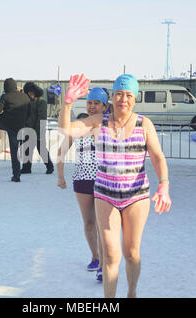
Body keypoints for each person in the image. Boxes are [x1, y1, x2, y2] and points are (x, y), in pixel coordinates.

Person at [58, 74, 172, 298]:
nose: (124, 99)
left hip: (136, 196)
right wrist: (68, 102)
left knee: (131, 253)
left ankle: (131, 293)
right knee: (110, 256)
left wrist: (164, 185)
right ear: (113, 97)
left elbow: (158, 157)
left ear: (135, 98)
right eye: (120, 94)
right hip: (105, 195)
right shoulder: (98, 122)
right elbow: (67, 130)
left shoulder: (144, 124)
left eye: (129, 95)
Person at [57, 87, 108, 282]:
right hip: (82, 178)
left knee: (103, 224)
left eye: (96, 103)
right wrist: (60, 176)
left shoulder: (108, 123)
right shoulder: (78, 126)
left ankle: (104, 265)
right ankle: (95, 257)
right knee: (89, 223)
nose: (92, 106)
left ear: (104, 105)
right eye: (89, 103)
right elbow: (61, 151)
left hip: (103, 179)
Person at [20, 82, 54, 175]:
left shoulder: (41, 101)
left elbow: (42, 117)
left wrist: (38, 133)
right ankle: (26, 168)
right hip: (27, 129)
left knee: (41, 149)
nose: (30, 94)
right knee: (26, 149)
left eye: (32, 92)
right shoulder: (26, 101)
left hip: (38, 129)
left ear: (35, 92)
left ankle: (49, 166)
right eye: (28, 92)